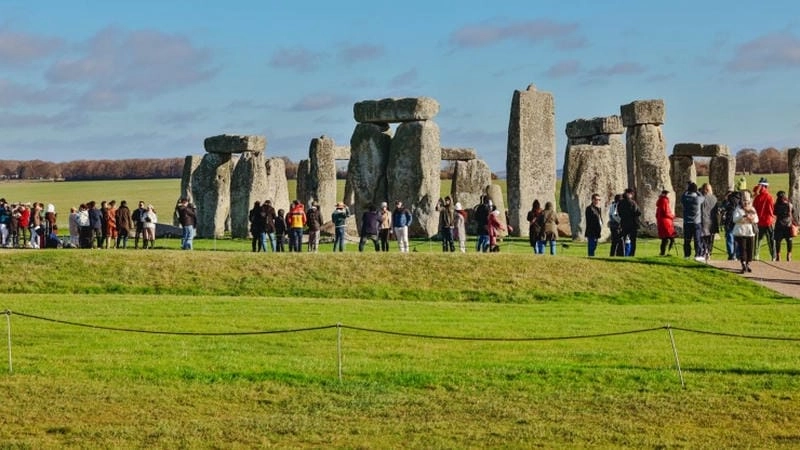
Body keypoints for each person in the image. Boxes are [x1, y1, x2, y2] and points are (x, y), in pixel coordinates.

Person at [733, 190, 758, 273]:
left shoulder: (752, 209)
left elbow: (757, 219)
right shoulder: (738, 209)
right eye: (744, 202)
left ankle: (748, 264)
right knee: (743, 249)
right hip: (741, 232)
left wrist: (752, 219)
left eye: (747, 202)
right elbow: (735, 219)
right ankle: (743, 264)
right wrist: (743, 218)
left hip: (750, 232)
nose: (746, 204)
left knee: (750, 249)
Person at [752, 179, 776, 261]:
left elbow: (754, 208)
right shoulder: (769, 197)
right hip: (768, 221)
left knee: (757, 240)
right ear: (766, 186)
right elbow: (772, 209)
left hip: (759, 222)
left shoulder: (757, 197)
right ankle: (773, 256)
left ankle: (755, 255)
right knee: (771, 240)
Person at [681, 182, 704, 261]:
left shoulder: (685, 198)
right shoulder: (697, 199)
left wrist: (687, 190)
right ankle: (698, 254)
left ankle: (687, 255)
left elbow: (683, 195)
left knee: (687, 240)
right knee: (697, 239)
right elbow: (702, 196)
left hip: (687, 222)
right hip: (696, 222)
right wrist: (697, 190)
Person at [616, 188, 641, 256]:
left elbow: (619, 212)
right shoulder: (632, 202)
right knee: (633, 241)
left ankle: (620, 253)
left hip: (624, 222)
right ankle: (631, 254)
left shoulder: (620, 203)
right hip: (632, 223)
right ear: (630, 194)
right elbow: (638, 212)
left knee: (622, 239)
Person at [773, 191, 794, 261]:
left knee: (778, 241)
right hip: (788, 225)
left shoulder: (776, 205)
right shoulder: (789, 204)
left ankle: (778, 255)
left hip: (779, 224)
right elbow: (792, 212)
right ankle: (789, 255)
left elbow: (774, 213)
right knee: (789, 240)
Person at [700, 183, 718, 260]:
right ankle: (709, 252)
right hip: (713, 220)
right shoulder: (714, 198)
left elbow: (701, 210)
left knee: (703, 237)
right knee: (711, 238)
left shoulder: (702, 198)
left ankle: (704, 251)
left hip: (704, 219)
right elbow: (716, 210)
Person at [656, 190, 676, 256]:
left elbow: (657, 213)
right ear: (665, 194)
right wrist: (672, 216)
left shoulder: (660, 201)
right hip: (666, 222)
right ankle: (669, 252)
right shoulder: (664, 200)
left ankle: (662, 252)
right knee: (671, 237)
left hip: (661, 221)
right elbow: (666, 212)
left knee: (664, 239)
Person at [720, 190, 740, 260]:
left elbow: (722, 209)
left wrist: (725, 200)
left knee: (730, 238)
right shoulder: (739, 200)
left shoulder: (728, 201)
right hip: (738, 221)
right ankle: (737, 254)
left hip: (729, 221)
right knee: (737, 239)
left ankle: (731, 255)